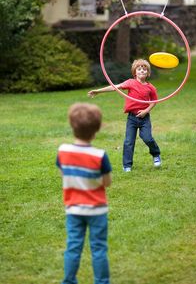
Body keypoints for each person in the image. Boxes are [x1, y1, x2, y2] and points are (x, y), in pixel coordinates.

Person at [56, 103, 112, 284]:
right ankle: (102, 282)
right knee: (99, 248)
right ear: (97, 129)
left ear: (72, 126)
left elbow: (63, 172)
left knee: (73, 247)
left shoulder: (62, 151)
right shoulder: (100, 155)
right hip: (97, 210)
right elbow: (107, 182)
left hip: (73, 209)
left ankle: (69, 280)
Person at [88, 59, 161, 172]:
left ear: (148, 73)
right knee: (128, 141)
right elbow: (114, 87)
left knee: (147, 138)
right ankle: (127, 166)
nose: (142, 70)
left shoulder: (150, 87)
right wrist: (98, 91)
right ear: (135, 72)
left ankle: (156, 154)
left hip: (144, 117)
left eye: (144, 69)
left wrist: (146, 111)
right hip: (132, 118)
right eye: (139, 69)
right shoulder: (130, 82)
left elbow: (154, 101)